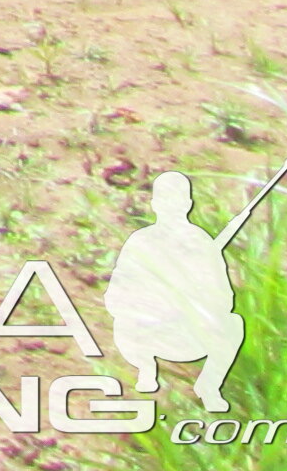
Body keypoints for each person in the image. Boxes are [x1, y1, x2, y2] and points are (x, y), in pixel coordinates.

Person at [105, 171, 247, 412]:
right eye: (165, 200)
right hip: (146, 333)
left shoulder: (201, 243)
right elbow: (117, 293)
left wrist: (198, 300)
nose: (171, 206)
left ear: (188, 204)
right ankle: (146, 369)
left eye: (177, 200)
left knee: (233, 324)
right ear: (155, 204)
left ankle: (209, 386)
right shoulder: (141, 242)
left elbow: (224, 298)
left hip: (190, 334)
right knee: (124, 323)